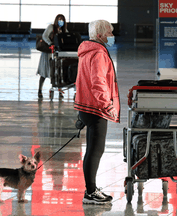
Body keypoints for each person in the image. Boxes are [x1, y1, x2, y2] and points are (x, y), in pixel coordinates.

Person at [74, 20, 120, 204]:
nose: (112, 35)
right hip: (96, 107)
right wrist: (107, 105)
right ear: (100, 35)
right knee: (95, 150)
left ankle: (91, 189)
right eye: (110, 32)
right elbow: (98, 82)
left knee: (93, 149)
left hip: (86, 105)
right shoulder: (99, 53)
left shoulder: (87, 51)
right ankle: (90, 192)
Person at [36, 14, 68, 99]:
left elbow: (67, 37)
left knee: (58, 73)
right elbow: (44, 36)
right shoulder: (51, 27)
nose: (60, 21)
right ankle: (40, 90)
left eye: (62, 20)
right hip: (48, 53)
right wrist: (50, 43)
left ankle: (60, 91)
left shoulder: (63, 30)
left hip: (57, 54)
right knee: (44, 72)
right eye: (59, 19)